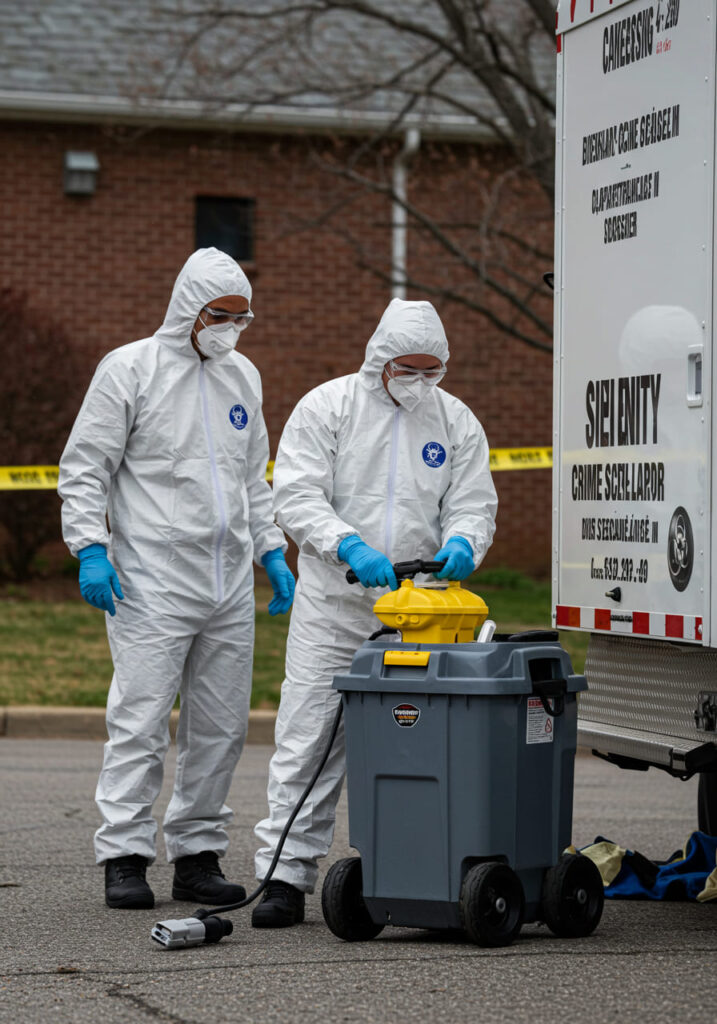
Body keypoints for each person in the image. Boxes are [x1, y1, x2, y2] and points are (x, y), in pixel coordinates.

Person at [58, 248, 294, 910]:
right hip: (149, 578)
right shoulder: (130, 369)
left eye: (241, 317)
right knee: (140, 718)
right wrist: (90, 548)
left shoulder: (242, 376)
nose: (231, 328)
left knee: (218, 727)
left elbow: (254, 477)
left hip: (226, 580)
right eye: (220, 315)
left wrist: (271, 552)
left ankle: (196, 856)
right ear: (188, 309)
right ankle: (125, 856)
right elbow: (86, 467)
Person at [252, 297, 497, 927]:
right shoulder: (328, 407)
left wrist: (464, 542)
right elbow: (297, 493)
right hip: (336, 604)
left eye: (431, 371)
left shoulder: (455, 420)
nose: (419, 384)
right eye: (407, 369)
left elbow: (473, 501)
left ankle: (423, 868)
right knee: (308, 738)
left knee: (424, 743)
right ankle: (284, 876)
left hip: (422, 613)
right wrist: (346, 545)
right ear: (380, 359)